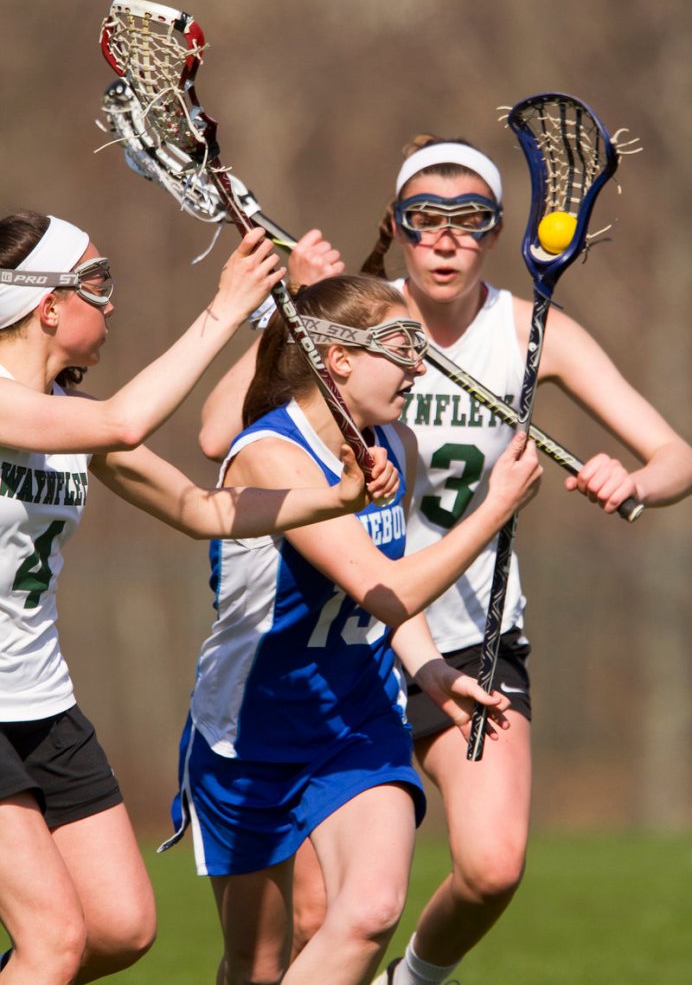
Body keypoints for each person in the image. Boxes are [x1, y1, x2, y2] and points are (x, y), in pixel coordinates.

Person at [198, 135, 692, 985]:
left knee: (492, 865)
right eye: (425, 219)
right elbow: (220, 437)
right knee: (317, 919)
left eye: (471, 220)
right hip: (350, 636)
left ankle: (411, 981)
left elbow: (673, 454)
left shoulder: (530, 331)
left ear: (496, 232)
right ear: (398, 224)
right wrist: (295, 307)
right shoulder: (354, 320)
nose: (446, 237)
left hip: (465, 637)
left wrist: (635, 481)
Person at [0, 210, 397, 985]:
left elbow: (201, 509)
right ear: (47, 304)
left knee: (120, 927)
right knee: (52, 942)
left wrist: (335, 496)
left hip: (40, 701)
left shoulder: (72, 422)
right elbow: (126, 418)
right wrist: (228, 308)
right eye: (96, 282)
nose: (109, 301)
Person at [163, 274, 542, 985]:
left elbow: (384, 593)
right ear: (339, 358)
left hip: (359, 720)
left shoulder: (395, 442)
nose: (420, 368)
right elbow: (392, 583)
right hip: (251, 731)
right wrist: (492, 510)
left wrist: (428, 667)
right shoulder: (268, 455)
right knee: (260, 961)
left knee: (367, 912)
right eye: (403, 347)